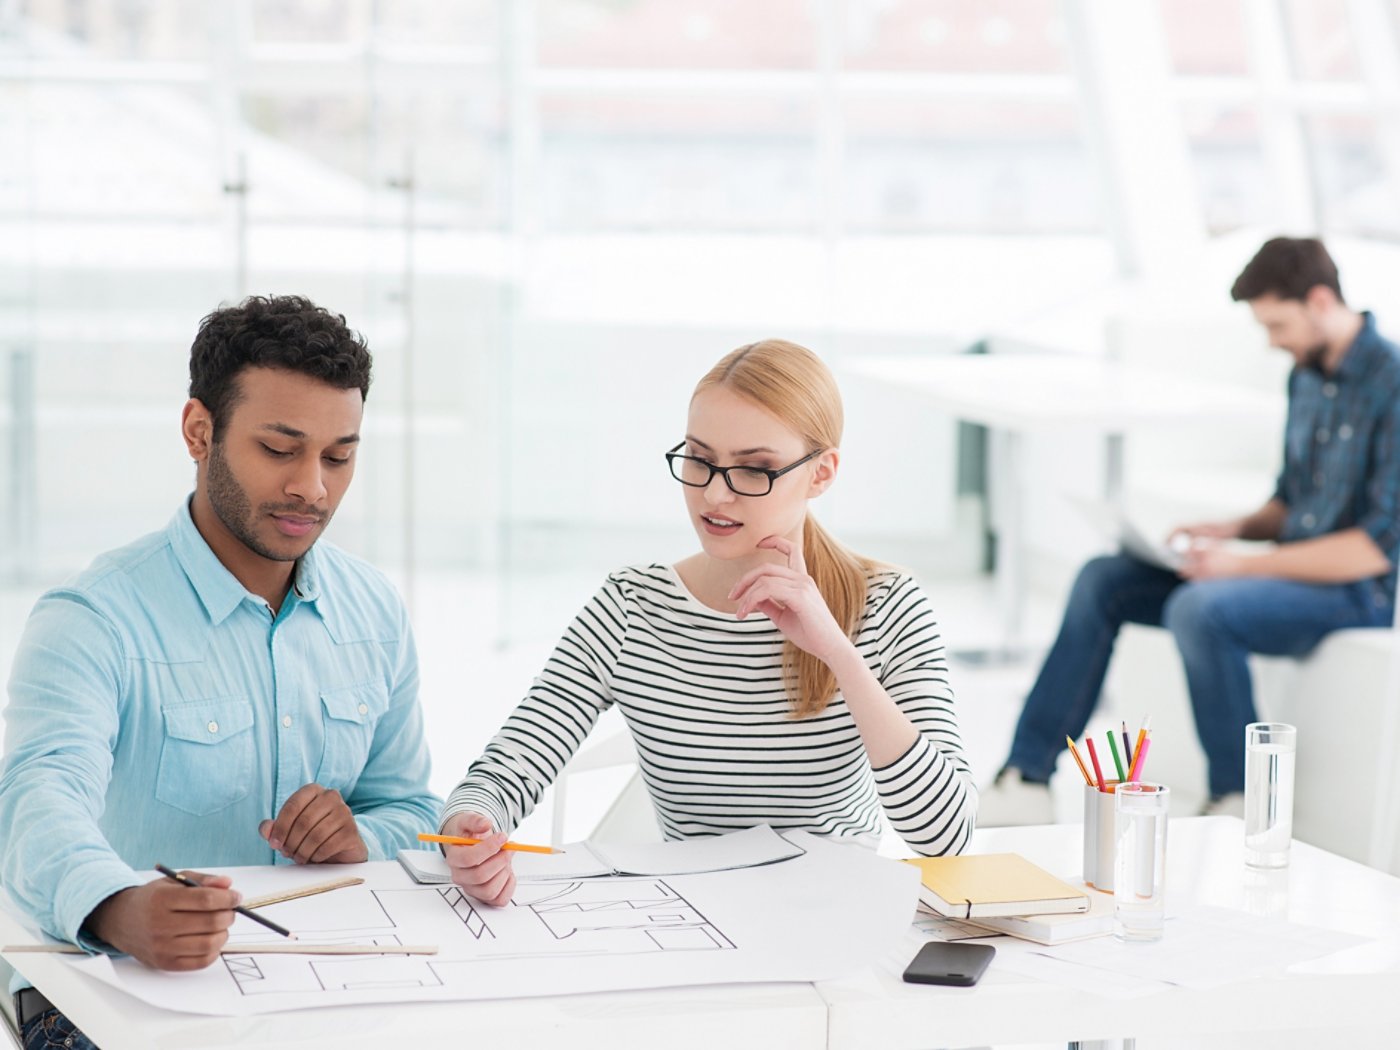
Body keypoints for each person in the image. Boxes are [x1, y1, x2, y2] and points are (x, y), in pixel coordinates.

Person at [0, 295, 438, 1050]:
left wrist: (360, 837)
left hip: (316, 982)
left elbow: (413, 807)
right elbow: (34, 806)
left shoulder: (373, 610)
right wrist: (118, 907)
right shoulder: (93, 617)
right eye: (280, 449)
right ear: (199, 432)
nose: (314, 488)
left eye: (339, 456)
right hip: (109, 989)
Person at [439, 339, 976, 905]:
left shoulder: (887, 603)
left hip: (835, 923)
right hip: (692, 924)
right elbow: (514, 759)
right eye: (699, 459)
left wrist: (840, 654)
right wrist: (469, 824)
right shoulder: (632, 606)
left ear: (821, 474)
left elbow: (947, 838)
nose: (714, 493)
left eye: (755, 468)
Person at [980, 237, 1400, 825]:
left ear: (1321, 300)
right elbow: (1290, 503)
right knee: (1104, 578)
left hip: (1355, 593)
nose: (1272, 341)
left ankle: (1240, 799)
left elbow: (1373, 550)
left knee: (1201, 608)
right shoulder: (1306, 376)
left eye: (1278, 323)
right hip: (1287, 574)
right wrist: (1230, 529)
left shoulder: (1392, 382)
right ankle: (1025, 777)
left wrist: (1238, 565)